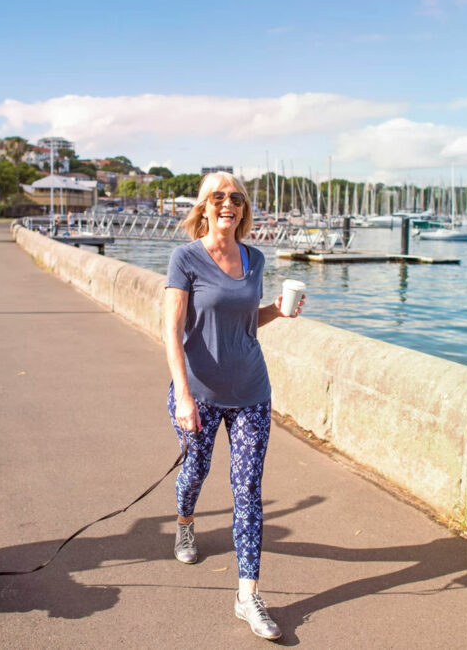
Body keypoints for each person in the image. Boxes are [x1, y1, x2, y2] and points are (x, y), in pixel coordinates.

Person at [163, 171, 304, 641]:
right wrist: (183, 395)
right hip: (199, 393)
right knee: (196, 472)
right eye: (219, 196)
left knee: (247, 489)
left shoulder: (255, 258)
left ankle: (248, 594)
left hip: (251, 393)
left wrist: (277, 313)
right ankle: (185, 523)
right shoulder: (185, 258)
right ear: (203, 206)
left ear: (244, 209)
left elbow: (245, 321)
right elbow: (171, 331)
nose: (229, 203)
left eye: (237, 198)